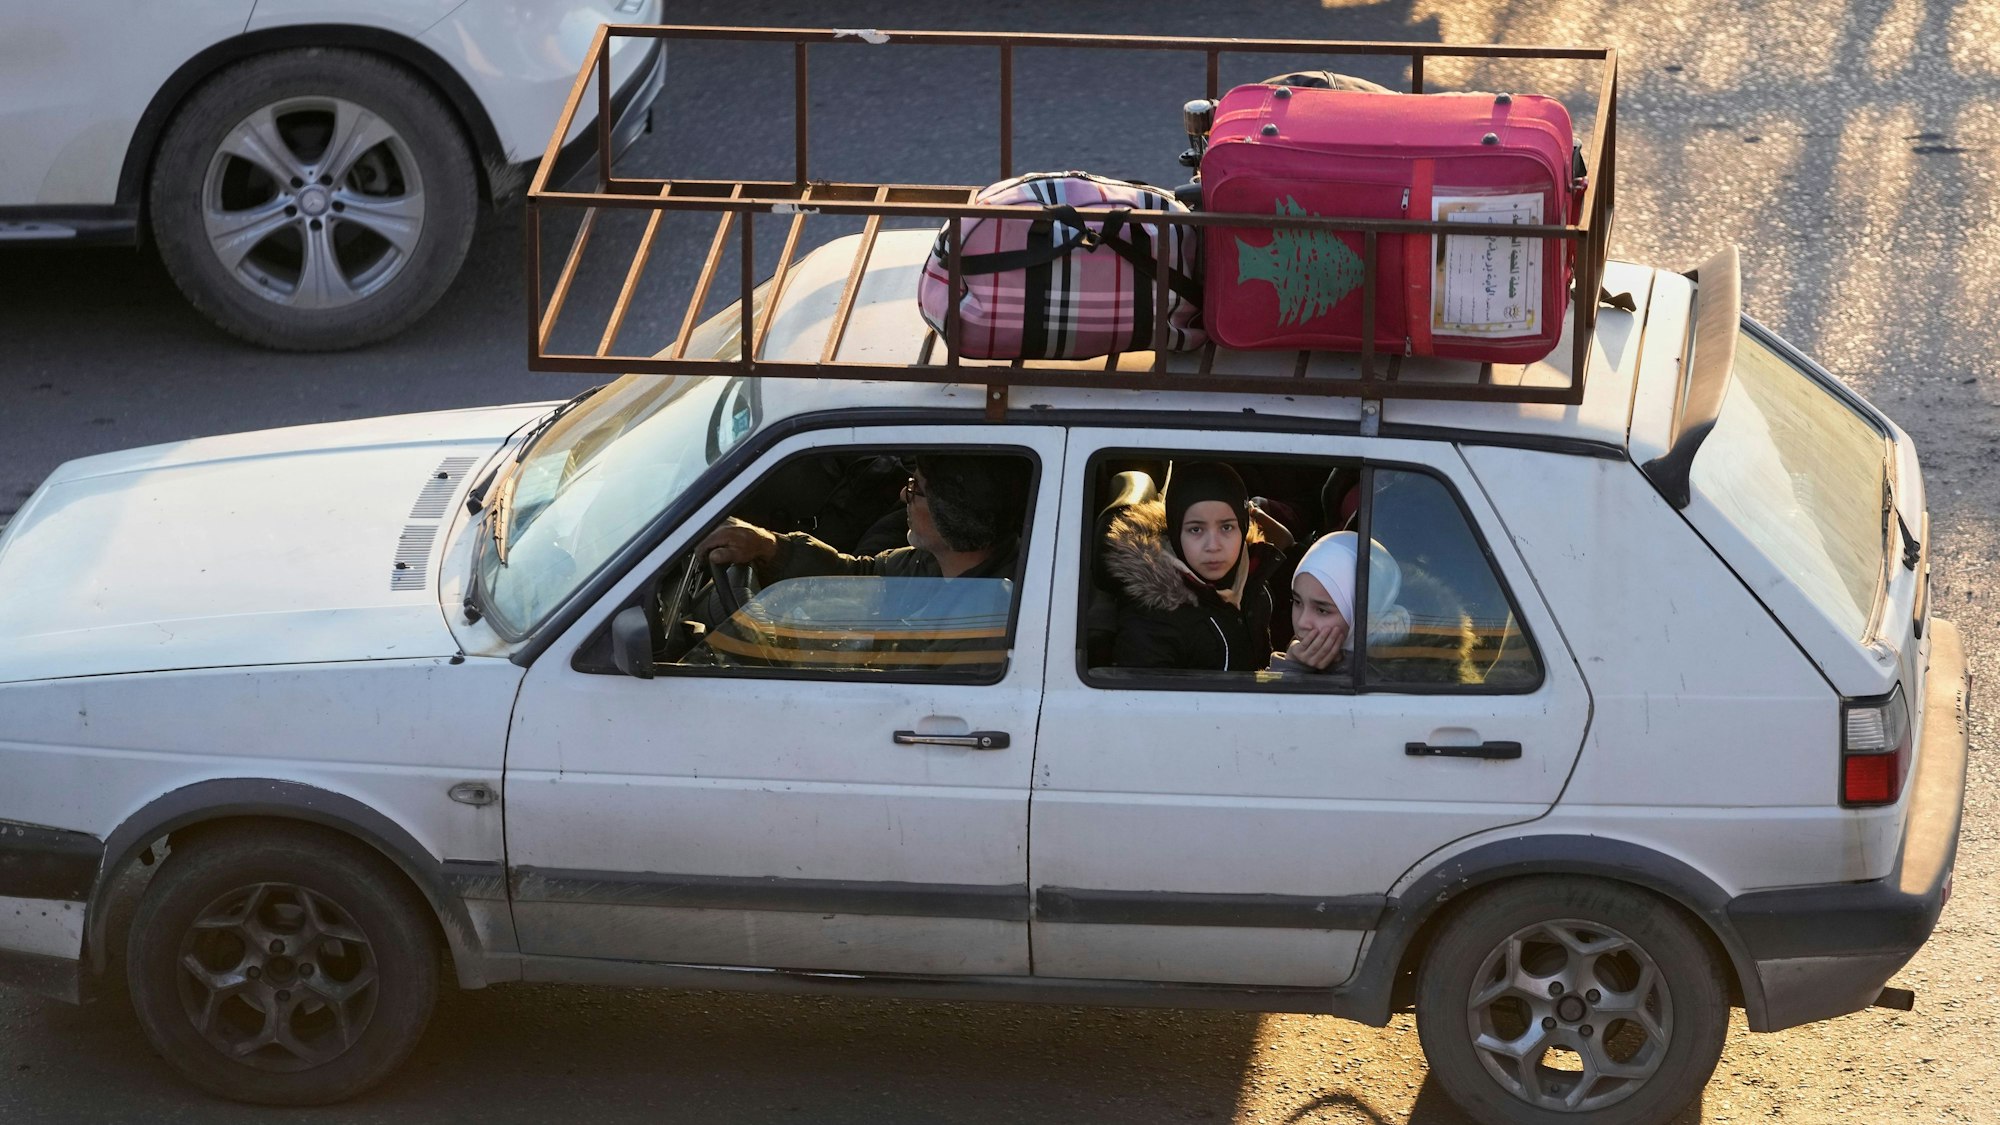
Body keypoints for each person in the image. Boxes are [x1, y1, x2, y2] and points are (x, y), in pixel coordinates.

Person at [695, 454, 1025, 583]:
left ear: (952, 514)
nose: (903, 495)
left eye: (916, 489)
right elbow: (861, 578)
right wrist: (768, 547)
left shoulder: (990, 615)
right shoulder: (929, 564)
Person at [1103, 462, 1293, 672]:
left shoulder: (1253, 574)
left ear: (1243, 526)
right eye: (1196, 530)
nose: (1213, 546)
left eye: (1227, 527)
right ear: (1176, 532)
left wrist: (1293, 667)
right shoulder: (1152, 621)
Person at [1268, 531, 1413, 678]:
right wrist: (1292, 666)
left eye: (1322, 610)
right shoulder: (1301, 655)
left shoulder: (1384, 678)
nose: (1302, 622)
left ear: (1363, 614)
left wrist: (1291, 672)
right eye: (1298, 602)